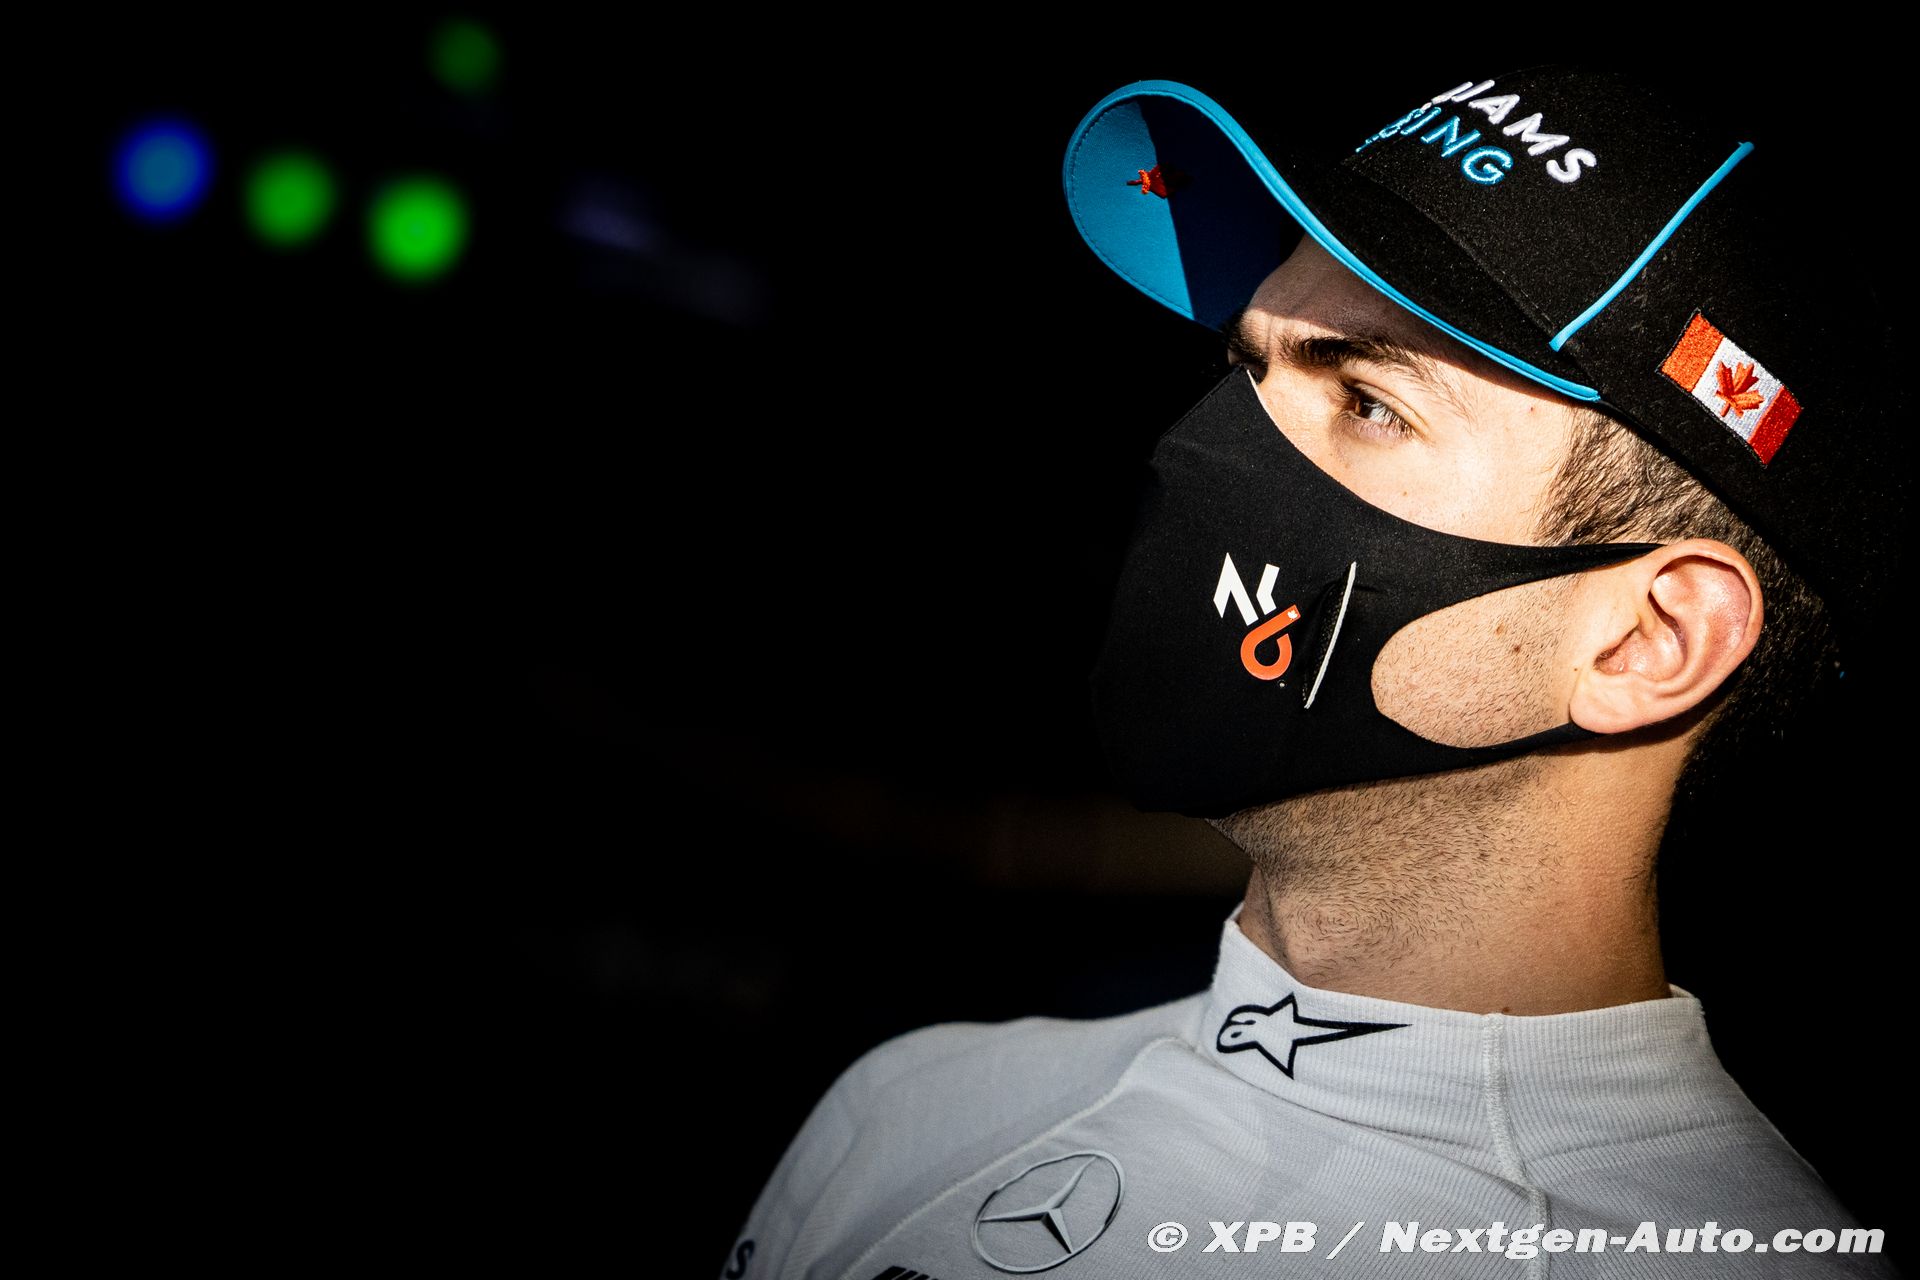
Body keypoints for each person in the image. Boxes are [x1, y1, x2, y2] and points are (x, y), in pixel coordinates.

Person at [722, 65, 1900, 1279]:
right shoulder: (909, 1104)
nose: (1215, 451)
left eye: (1371, 401)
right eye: (1247, 368)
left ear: (1646, 640)